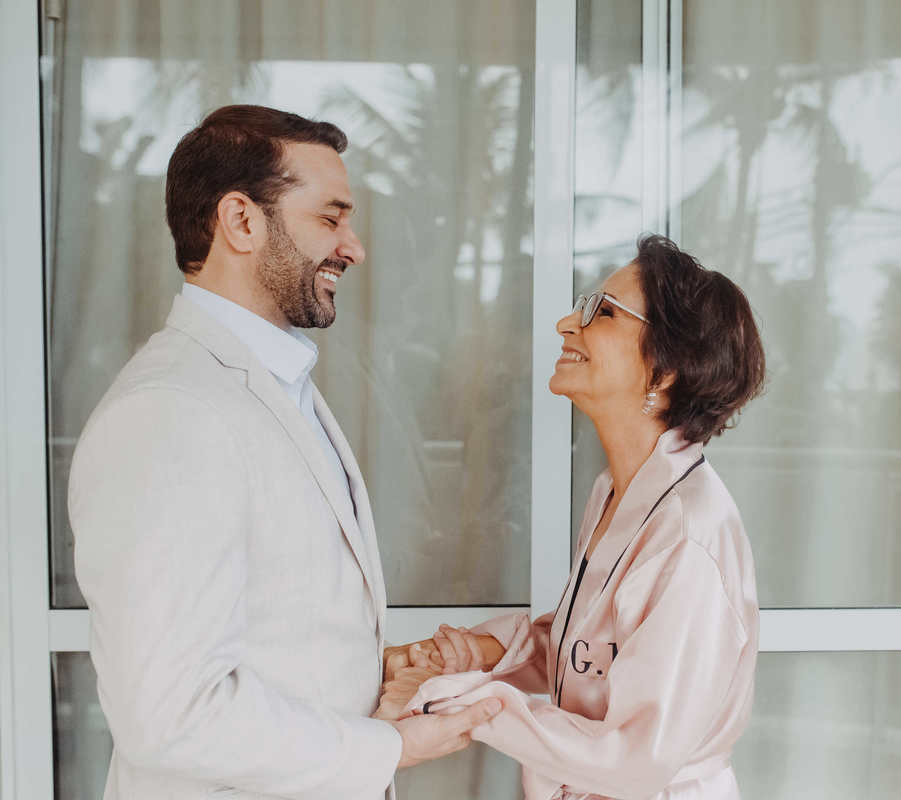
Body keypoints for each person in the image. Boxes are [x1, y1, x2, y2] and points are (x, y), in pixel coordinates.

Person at [67, 105, 500, 800]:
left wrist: (364, 672)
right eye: (330, 219)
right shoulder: (168, 412)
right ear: (241, 221)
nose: (354, 248)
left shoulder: (273, 385)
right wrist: (391, 747)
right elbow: (169, 713)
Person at [382, 235, 765, 799]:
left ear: (665, 371)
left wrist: (456, 698)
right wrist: (474, 654)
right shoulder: (616, 490)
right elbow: (590, 654)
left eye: (603, 313)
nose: (567, 323)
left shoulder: (689, 537)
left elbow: (635, 757)